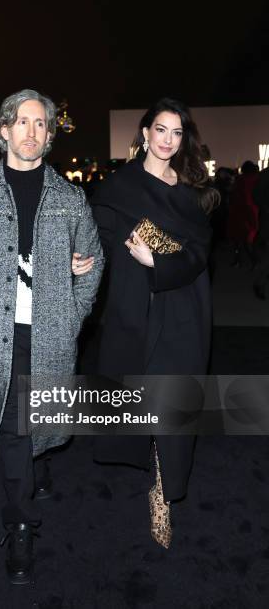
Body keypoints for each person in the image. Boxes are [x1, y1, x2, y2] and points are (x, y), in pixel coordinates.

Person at [0, 89, 103, 584]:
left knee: (40, 420)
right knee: (14, 426)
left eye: (41, 124)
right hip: (1, 335)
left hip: (53, 334)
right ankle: (19, 523)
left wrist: (74, 315)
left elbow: (93, 260)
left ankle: (38, 463)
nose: (31, 132)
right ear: (3, 130)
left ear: (49, 135)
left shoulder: (70, 197)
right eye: (22, 122)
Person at [79, 97, 219, 549]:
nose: (167, 140)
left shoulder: (192, 192)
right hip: (134, 306)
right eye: (161, 130)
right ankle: (149, 472)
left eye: (177, 133)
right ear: (144, 133)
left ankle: (163, 494)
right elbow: (96, 236)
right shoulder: (119, 186)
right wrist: (82, 260)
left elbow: (199, 256)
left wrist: (155, 260)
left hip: (182, 306)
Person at [226, 161, 259, 267]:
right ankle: (254, 262)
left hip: (241, 213)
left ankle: (241, 261)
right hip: (254, 212)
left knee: (239, 240)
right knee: (249, 239)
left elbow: (237, 196)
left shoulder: (240, 180)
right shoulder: (257, 180)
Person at [252, 166, 269, 299]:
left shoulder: (264, 174)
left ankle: (260, 284)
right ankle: (260, 284)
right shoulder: (265, 175)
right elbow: (257, 196)